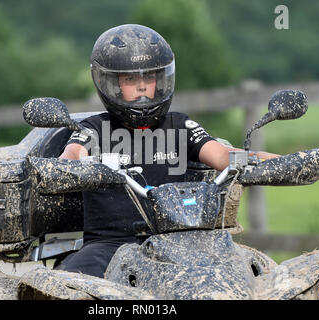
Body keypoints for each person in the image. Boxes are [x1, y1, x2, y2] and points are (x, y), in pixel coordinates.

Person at [55, 24, 277, 278]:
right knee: (66, 284)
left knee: (253, 276)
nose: (141, 87)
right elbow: (72, 154)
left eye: (148, 78)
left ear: (161, 80)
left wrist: (282, 163)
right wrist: (73, 165)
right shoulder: (94, 129)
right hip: (109, 246)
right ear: (110, 84)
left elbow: (223, 156)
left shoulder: (180, 125)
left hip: (180, 244)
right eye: (130, 79)